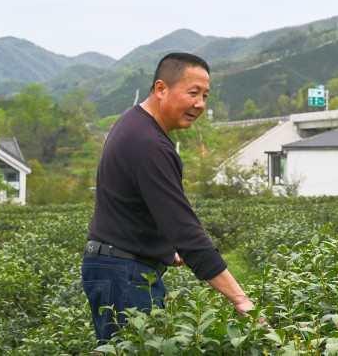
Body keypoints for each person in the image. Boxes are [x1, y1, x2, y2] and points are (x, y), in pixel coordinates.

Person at [82, 52, 255, 342]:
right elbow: (184, 229)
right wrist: (239, 298)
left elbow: (131, 205)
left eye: (205, 95)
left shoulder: (133, 123)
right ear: (161, 89)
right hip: (125, 275)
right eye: (193, 93)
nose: (199, 104)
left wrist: (160, 248)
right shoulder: (149, 143)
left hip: (116, 266)